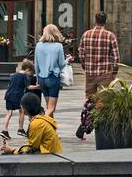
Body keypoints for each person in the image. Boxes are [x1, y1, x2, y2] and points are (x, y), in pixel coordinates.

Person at [75, 12, 120, 140]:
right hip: (105, 74)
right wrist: (114, 73)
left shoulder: (86, 34)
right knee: (105, 101)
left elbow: (81, 54)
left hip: (90, 73)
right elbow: (117, 58)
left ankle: (84, 124)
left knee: (89, 100)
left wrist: (86, 67)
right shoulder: (110, 36)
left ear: (95, 20)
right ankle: (104, 127)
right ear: (105, 21)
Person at [33, 24, 67, 118]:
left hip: (42, 78)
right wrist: (68, 60)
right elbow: (61, 64)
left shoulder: (38, 45)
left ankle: (51, 130)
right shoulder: (58, 46)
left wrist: (37, 78)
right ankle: (39, 122)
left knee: (48, 107)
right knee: (51, 108)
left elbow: (36, 64)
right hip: (53, 77)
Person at [1, 58, 40, 141]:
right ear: (27, 70)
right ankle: (20, 129)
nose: (30, 75)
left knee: (9, 113)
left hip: (8, 95)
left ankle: (4, 130)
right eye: (30, 73)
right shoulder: (23, 76)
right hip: (17, 96)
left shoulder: (14, 75)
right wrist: (36, 87)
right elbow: (28, 87)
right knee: (22, 111)